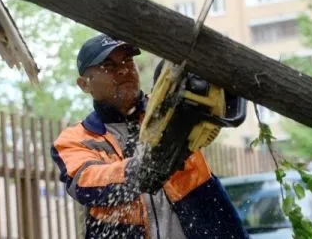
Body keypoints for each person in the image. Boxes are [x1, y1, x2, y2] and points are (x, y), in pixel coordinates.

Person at [51, 34, 249, 239]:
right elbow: (86, 182)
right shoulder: (74, 139)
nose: (123, 69)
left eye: (128, 60)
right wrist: (140, 169)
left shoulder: (170, 108)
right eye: (107, 65)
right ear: (84, 84)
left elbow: (224, 107)